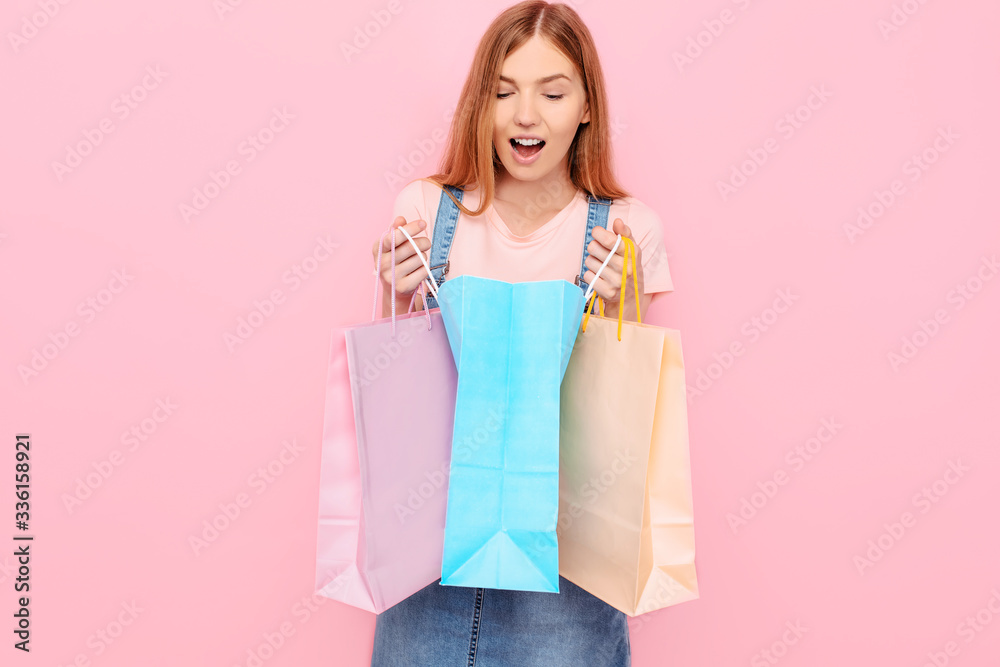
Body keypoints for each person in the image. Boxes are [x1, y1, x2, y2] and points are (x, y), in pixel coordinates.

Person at [368, 2, 674, 665]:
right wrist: (396, 293)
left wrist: (620, 304)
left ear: (587, 105)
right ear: (482, 103)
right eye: (503, 92)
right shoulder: (427, 212)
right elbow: (403, 393)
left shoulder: (627, 230)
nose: (525, 114)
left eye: (552, 92)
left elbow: (617, 414)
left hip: (565, 572)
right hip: (431, 557)